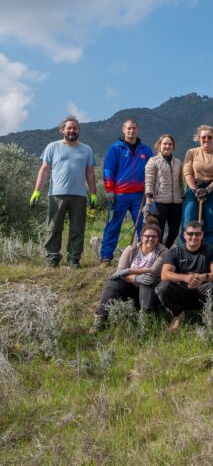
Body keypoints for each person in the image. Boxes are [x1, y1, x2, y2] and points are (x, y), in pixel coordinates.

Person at [30, 115, 97, 268]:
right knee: (53, 228)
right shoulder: (52, 146)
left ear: (79, 130)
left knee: (77, 229)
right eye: (69, 128)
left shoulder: (86, 149)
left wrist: (93, 193)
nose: (72, 130)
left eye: (75, 128)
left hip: (79, 195)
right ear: (63, 130)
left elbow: (90, 173)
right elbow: (45, 169)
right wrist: (36, 191)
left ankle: (74, 259)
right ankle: (52, 260)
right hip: (56, 194)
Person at [90, 223, 168, 332]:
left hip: (150, 291)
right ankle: (100, 318)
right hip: (130, 288)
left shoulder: (163, 251)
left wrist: (129, 270)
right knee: (113, 283)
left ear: (158, 238)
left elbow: (153, 270)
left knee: (148, 280)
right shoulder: (131, 249)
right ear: (141, 237)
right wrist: (136, 278)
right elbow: (119, 272)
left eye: (154, 236)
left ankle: (144, 321)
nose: (150, 239)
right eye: (147, 236)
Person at [100, 119, 153, 267]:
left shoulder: (146, 150)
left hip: (140, 196)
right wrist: (109, 189)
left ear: (138, 130)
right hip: (119, 195)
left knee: (144, 227)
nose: (131, 131)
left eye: (134, 128)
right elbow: (108, 169)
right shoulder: (115, 148)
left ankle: (143, 258)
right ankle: (106, 257)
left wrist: (150, 193)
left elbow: (151, 171)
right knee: (112, 226)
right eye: (129, 128)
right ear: (123, 130)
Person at [156, 221, 213, 331]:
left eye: (198, 234)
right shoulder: (175, 251)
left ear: (202, 235)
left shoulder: (211, 250)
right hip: (182, 290)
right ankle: (178, 314)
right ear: (184, 235)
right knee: (163, 287)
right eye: (190, 234)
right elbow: (165, 274)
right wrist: (185, 277)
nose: (194, 237)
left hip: (204, 290)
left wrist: (203, 277)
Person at [182, 125, 213, 246]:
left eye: (209, 137)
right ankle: (183, 256)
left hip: (212, 192)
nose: (206, 139)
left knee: (210, 226)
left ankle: (208, 257)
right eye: (203, 137)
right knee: (188, 224)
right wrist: (195, 190)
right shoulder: (191, 152)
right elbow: (187, 173)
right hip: (193, 190)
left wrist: (207, 190)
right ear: (199, 138)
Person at [144, 134, 183, 248]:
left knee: (175, 230)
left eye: (170, 144)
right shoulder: (153, 161)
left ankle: (165, 250)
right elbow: (149, 180)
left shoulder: (178, 162)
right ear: (159, 145)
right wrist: (148, 199)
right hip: (159, 200)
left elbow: (180, 182)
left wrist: (183, 197)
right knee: (158, 230)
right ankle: (157, 254)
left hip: (176, 202)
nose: (167, 146)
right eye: (164, 144)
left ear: (173, 146)